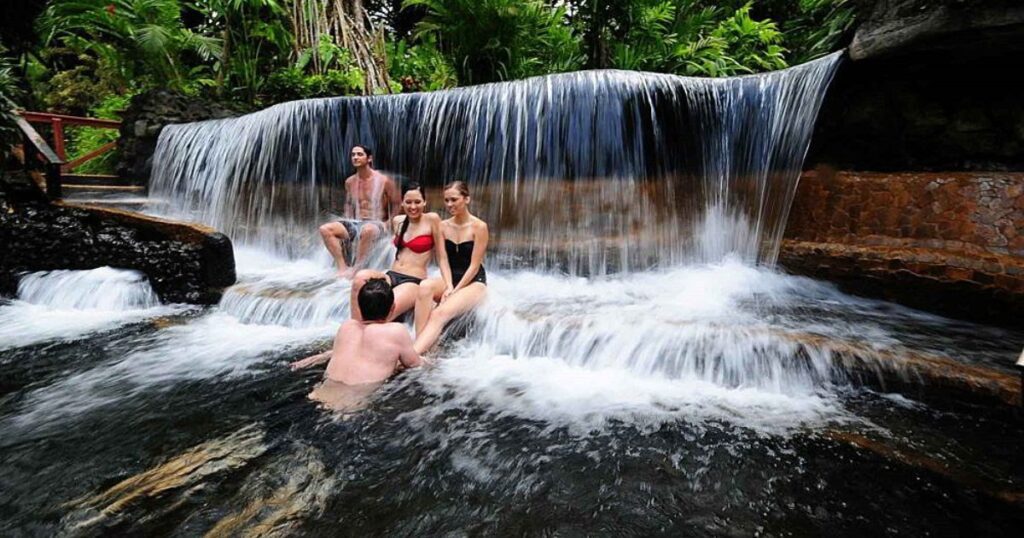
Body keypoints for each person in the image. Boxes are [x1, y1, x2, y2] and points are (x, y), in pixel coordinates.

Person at [290, 278, 423, 411]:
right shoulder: (396, 331)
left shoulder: (346, 327)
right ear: (392, 308)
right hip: (353, 405)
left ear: (359, 307)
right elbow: (415, 364)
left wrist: (320, 357)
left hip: (318, 395)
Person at [349, 182, 450, 321]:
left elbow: (442, 257)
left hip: (413, 281)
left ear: (424, 202)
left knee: (382, 309)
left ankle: (370, 332)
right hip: (391, 275)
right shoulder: (398, 221)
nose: (413, 207)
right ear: (402, 203)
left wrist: (449, 285)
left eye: (417, 202)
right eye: (408, 202)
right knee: (360, 278)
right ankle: (356, 326)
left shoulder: (432, 220)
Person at [413, 180, 489, 354]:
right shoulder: (443, 226)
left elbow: (474, 265)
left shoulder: (479, 227)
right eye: (446, 200)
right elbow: (443, 259)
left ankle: (413, 354)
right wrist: (448, 286)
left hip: (474, 282)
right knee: (424, 287)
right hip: (451, 278)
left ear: (467, 199)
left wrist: (455, 290)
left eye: (454, 200)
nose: (449, 204)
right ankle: (422, 346)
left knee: (439, 313)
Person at [318, 145, 401, 278]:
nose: (355, 157)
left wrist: (389, 223)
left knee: (367, 230)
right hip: (355, 222)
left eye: (359, 154)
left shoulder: (384, 180)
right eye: (353, 155)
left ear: (369, 158)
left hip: (376, 223)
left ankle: (356, 268)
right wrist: (347, 218)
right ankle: (342, 267)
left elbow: (397, 203)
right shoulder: (350, 182)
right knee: (325, 229)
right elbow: (349, 203)